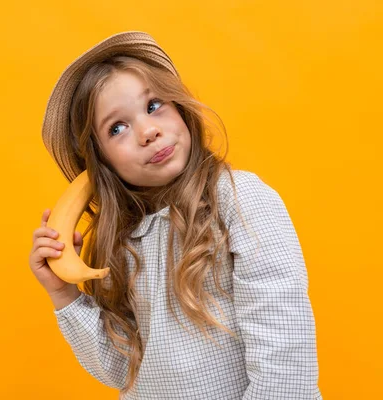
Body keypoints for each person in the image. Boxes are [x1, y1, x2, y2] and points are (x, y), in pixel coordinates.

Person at [29, 31, 322, 399]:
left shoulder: (240, 200)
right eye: (117, 128)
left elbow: (284, 353)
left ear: (180, 108)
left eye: (153, 106)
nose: (148, 131)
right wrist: (64, 293)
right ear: (101, 162)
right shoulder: (123, 242)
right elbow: (121, 369)